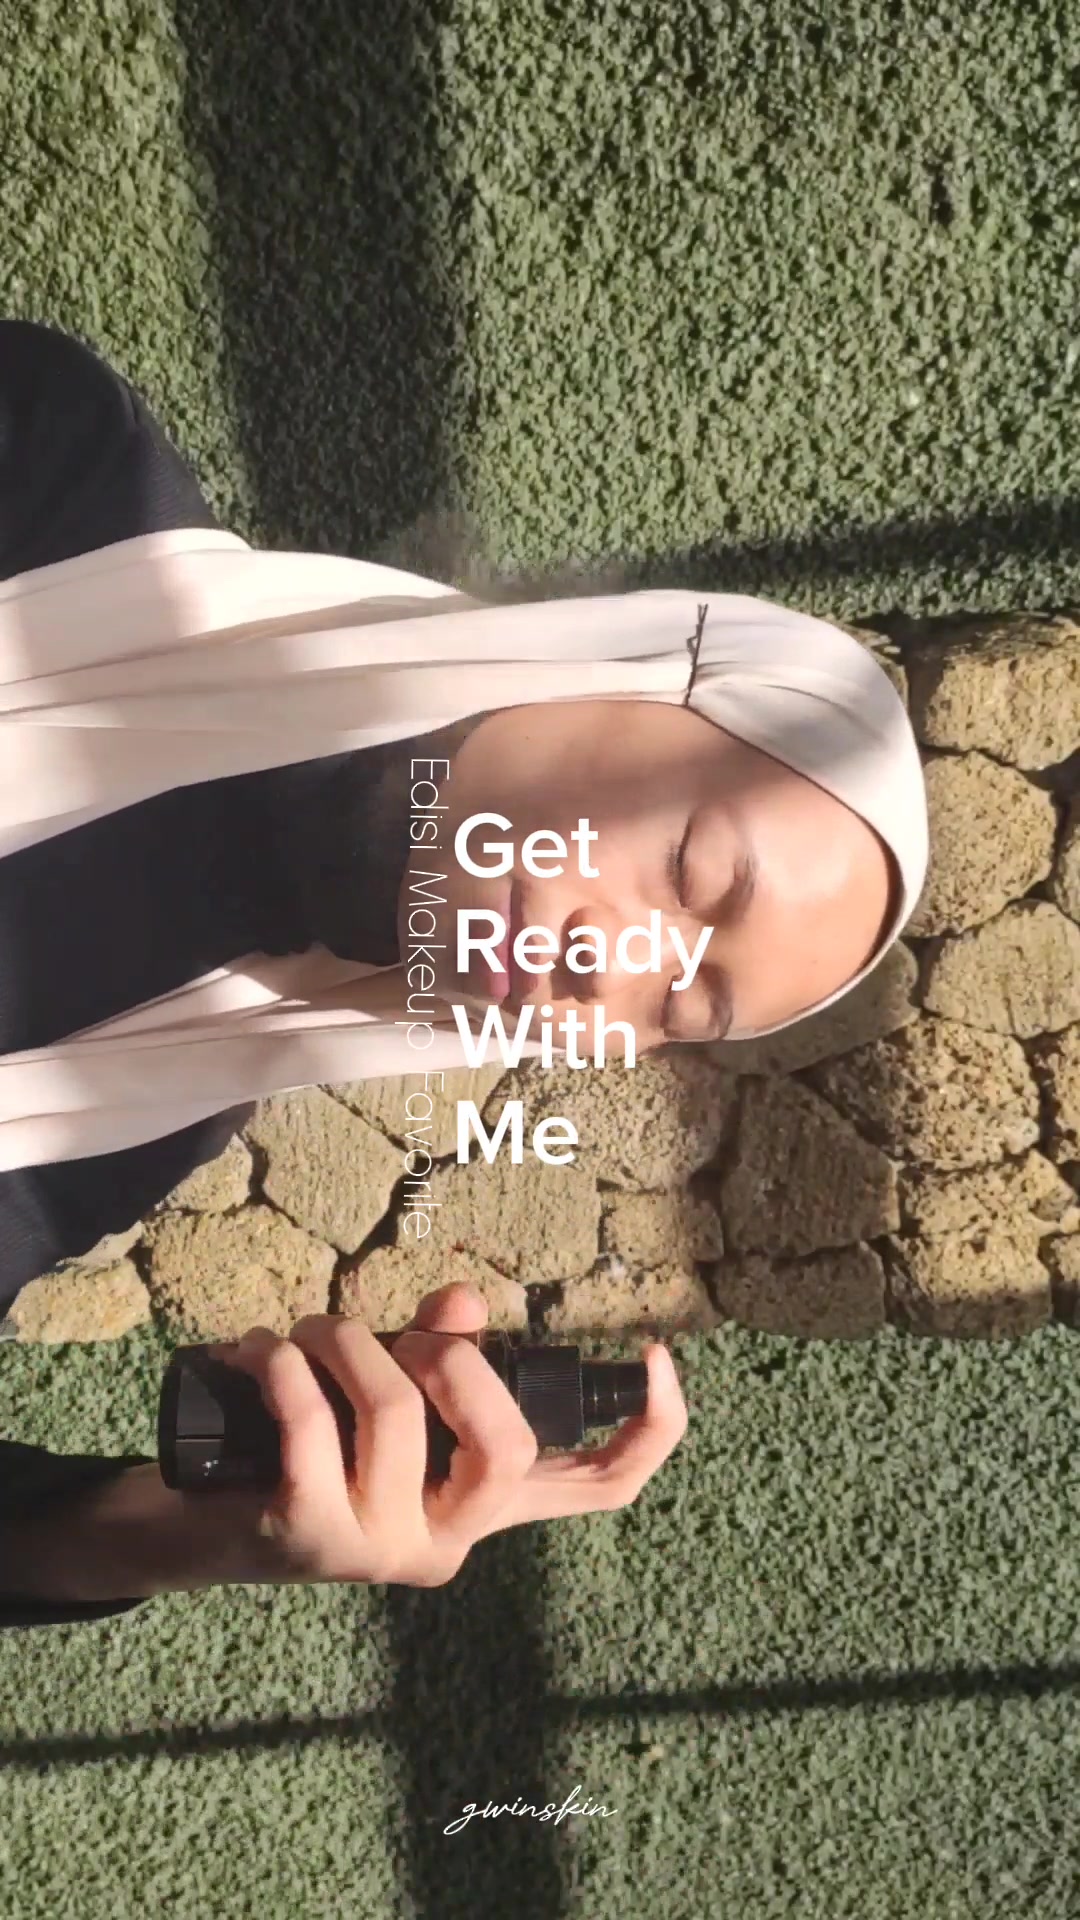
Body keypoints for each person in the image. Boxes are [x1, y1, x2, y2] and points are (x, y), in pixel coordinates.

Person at [0, 320, 928, 1630]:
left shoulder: (129, 1122)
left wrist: (172, 1533)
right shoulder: (57, 474)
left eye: (680, 1004)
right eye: (694, 868)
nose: (617, 960)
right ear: (611, 668)